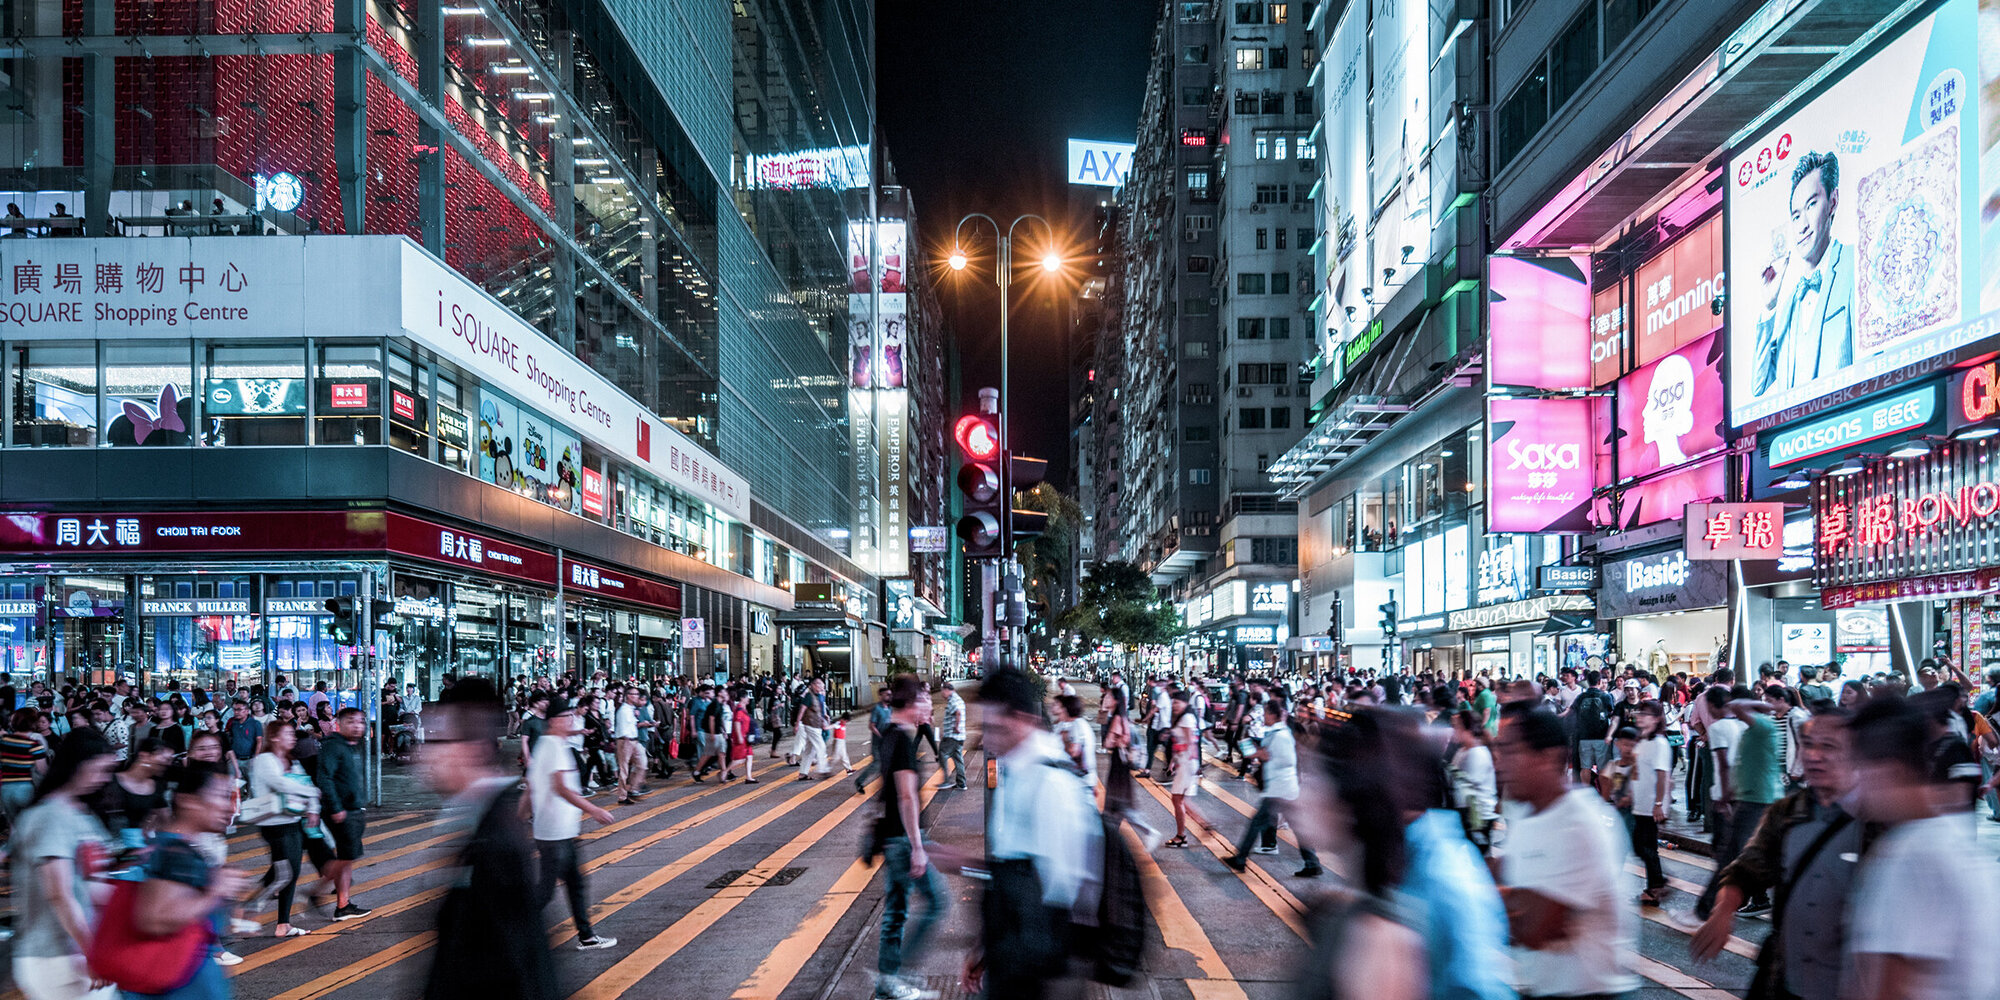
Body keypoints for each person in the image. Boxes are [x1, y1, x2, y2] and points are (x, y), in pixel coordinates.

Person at [1691, 710, 1865, 1000]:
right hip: (1785, 980)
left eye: (1828, 746)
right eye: (1808, 744)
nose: (1813, 755)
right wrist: (1723, 910)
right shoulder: (1787, 812)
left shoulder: (1877, 821)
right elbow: (1747, 869)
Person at [1842, 695, 2000, 1000]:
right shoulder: (1952, 841)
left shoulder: (1911, 856)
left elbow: (1892, 989)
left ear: (1890, 769)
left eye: (1857, 767)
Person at [962, 669, 1098, 1000]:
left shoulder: (1050, 782)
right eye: (984, 728)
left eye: (994, 727)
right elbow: (1011, 868)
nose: (987, 740)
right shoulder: (1015, 771)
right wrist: (985, 949)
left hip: (1039, 971)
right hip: (1012, 956)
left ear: (1022, 719)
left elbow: (1057, 893)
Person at [1492, 705, 1637, 999]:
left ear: (1548, 757)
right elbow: (1504, 872)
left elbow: (1539, 929)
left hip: (1592, 992)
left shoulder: (1580, 823)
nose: (1500, 763)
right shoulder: (1526, 813)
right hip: (1547, 987)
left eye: (1510, 752)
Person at [423, 679, 556, 1000]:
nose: (424, 756)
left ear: (472, 749)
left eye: (437, 742)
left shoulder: (495, 842)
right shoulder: (478, 825)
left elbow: (518, 964)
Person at [1286, 709, 1428, 1000]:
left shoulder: (1381, 939)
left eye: (1314, 780)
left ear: (1347, 802)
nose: (1300, 797)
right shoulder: (1352, 908)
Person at [115, 766, 249, 1000]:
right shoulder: (175, 852)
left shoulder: (176, 848)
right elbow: (154, 919)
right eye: (219, 796)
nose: (229, 806)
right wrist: (214, 891)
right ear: (188, 801)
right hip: (180, 987)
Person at [11, 730, 116, 1000]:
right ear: (77, 764)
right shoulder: (51, 816)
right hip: (58, 957)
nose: (105, 778)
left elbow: (93, 886)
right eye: (101, 769)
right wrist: (91, 951)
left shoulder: (80, 814)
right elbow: (60, 893)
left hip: (74, 954)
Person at [867, 676, 947, 1000]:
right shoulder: (901, 739)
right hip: (903, 839)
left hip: (892, 836)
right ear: (914, 702)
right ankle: (896, 977)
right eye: (927, 699)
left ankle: (889, 982)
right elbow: (906, 796)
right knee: (938, 904)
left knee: (896, 911)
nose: (930, 706)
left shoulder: (889, 732)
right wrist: (917, 847)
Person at [1752, 150, 1855, 399]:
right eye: (1796, 215)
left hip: (1849, 426)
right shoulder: (1788, 306)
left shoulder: (1854, 263)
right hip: (1794, 434)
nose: (1803, 225)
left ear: (1833, 201)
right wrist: (1769, 306)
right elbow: (1759, 384)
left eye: (1811, 205)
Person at [527, 698, 617, 950]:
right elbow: (560, 788)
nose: (572, 720)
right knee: (545, 892)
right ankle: (508, 934)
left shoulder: (548, 745)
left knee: (574, 884)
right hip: (556, 833)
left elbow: (532, 786)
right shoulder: (553, 746)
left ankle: (586, 936)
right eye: (567, 717)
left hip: (557, 831)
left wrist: (519, 817)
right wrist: (594, 809)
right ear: (554, 721)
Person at [1225, 700, 1322, 877]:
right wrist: (1256, 753)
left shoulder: (1280, 735)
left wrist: (1261, 754)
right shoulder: (1277, 733)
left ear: (1273, 715)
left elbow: (1281, 759)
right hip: (1283, 788)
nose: (1264, 717)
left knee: (1256, 824)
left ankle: (1240, 859)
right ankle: (1312, 863)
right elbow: (1264, 754)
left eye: (1266, 714)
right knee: (1298, 827)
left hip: (1280, 790)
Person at [248, 720, 320, 938]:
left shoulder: (292, 760)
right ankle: (250, 908)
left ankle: (282, 924)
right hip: (272, 823)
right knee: (286, 872)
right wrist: (313, 795)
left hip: (291, 821)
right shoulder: (264, 760)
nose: (293, 738)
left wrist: (313, 807)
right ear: (275, 737)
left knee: (287, 872)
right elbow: (281, 784)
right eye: (288, 734)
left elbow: (306, 784)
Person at [313, 707, 370, 919]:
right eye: (351, 722)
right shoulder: (333, 746)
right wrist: (336, 808)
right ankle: (314, 892)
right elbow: (324, 778)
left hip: (353, 809)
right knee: (348, 857)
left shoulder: (353, 746)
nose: (357, 726)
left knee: (347, 858)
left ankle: (343, 905)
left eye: (361, 722)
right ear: (339, 723)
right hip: (342, 811)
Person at [1626, 702, 1673, 906]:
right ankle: (1657, 881)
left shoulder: (1659, 743)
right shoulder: (1642, 740)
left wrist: (1659, 803)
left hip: (1651, 804)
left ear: (1656, 719)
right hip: (1640, 801)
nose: (1639, 716)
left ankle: (1655, 889)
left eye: (1645, 714)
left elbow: (1662, 775)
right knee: (1643, 846)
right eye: (1639, 712)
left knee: (1644, 846)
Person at [1164, 689, 1202, 848]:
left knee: (1177, 799)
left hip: (1187, 763)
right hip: (1184, 763)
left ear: (1185, 703)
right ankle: (1204, 824)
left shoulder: (1186, 718)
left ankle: (1181, 836)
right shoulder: (1183, 717)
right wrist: (1172, 762)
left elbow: (1190, 742)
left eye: (1177, 703)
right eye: (1173, 703)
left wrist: (1191, 762)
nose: (1174, 706)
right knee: (1182, 800)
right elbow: (1179, 743)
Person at [611, 687, 651, 805]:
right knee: (624, 769)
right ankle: (622, 796)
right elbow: (623, 728)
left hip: (634, 740)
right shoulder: (623, 710)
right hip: (625, 740)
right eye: (634, 694)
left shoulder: (633, 709)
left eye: (638, 694)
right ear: (628, 695)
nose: (637, 696)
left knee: (642, 764)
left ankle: (633, 788)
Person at [1051, 694, 1096, 786]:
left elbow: (1074, 751)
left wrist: (1063, 739)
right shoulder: (1080, 723)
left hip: (1082, 780)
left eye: (1062, 708)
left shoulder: (1076, 725)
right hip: (1083, 779)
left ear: (1066, 710)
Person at [938, 685, 967, 791]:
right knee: (958, 759)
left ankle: (947, 780)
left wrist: (956, 727)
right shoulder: (958, 698)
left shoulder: (953, 700)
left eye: (943, 692)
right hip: (959, 736)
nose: (942, 694)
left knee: (942, 754)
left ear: (947, 690)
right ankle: (961, 783)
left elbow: (958, 712)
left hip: (952, 735)